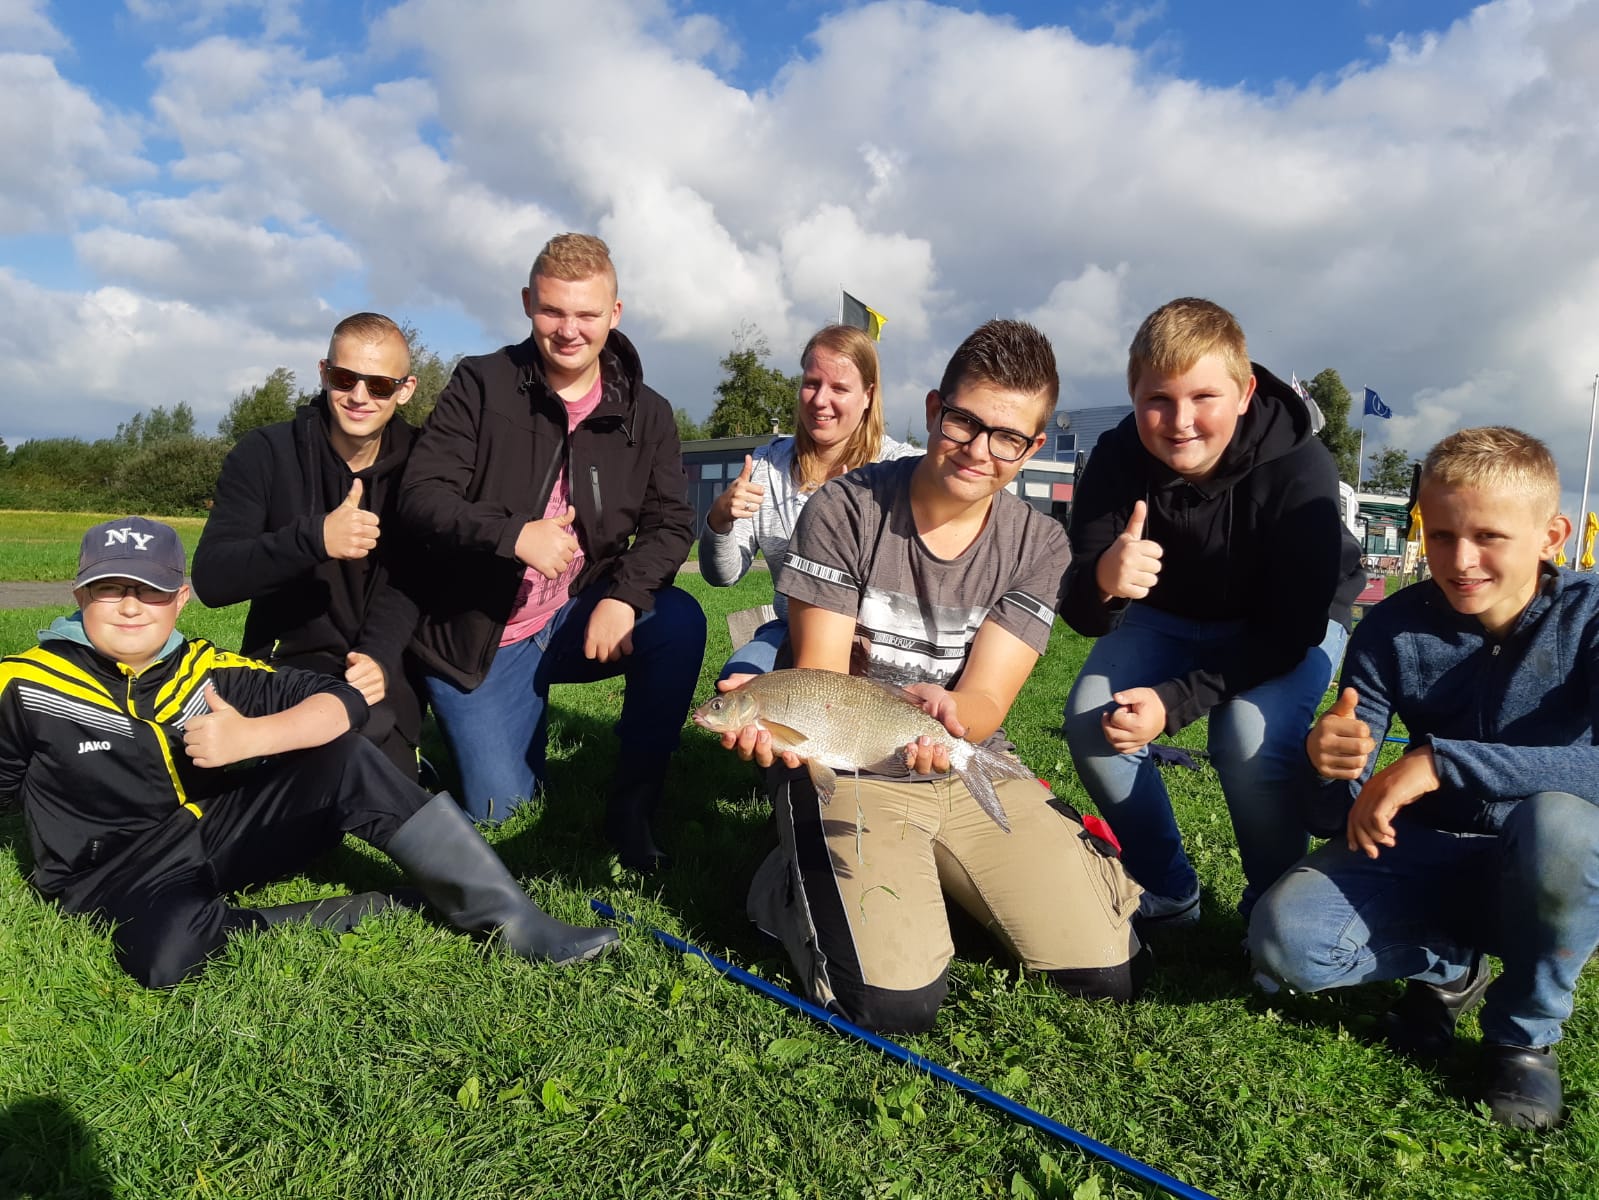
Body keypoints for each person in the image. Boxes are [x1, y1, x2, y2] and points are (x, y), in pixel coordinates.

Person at [717, 320, 1145, 1034]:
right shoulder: (842, 509)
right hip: (849, 761)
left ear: (1033, 447)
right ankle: (785, 883)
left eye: (1007, 438)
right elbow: (821, 683)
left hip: (958, 754)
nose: (979, 451)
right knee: (892, 1004)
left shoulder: (1040, 544)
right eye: (963, 423)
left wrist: (952, 718)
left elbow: (986, 699)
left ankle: (927, 875)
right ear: (932, 410)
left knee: (1103, 972)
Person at [0, 517, 617, 988]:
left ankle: (511, 919)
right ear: (79, 595)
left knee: (345, 756)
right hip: (110, 872)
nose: (132, 606)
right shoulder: (25, 684)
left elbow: (344, 699)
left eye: (151, 590)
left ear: (181, 598)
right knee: (168, 961)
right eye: (110, 589)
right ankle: (376, 907)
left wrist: (254, 738)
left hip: (207, 834)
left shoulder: (206, 668)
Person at [1251, 427, 1599, 1131]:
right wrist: (1327, 764)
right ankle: (1448, 970)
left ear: (1552, 536)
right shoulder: (1391, 629)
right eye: (1441, 536)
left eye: (1488, 536)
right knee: (1286, 941)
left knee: (1560, 828)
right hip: (1426, 850)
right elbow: (1332, 816)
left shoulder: (1589, 617)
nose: (1460, 561)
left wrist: (1441, 760)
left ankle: (1522, 1036)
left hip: (1544, 857)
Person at [399, 233, 704, 871]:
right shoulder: (481, 383)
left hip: (577, 613)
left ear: (614, 313)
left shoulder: (647, 412)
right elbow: (422, 496)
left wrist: (625, 597)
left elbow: (672, 521)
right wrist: (514, 534)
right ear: (526, 303)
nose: (569, 331)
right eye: (551, 311)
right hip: (481, 634)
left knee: (677, 621)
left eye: (586, 314)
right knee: (501, 811)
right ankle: (493, 735)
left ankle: (634, 804)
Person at [1059, 298, 1363, 923]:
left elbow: (1289, 632)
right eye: (1158, 399)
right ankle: (1168, 889)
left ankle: (1276, 908)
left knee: (1248, 738)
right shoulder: (1116, 456)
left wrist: (1172, 701)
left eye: (1204, 397)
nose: (1181, 421)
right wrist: (1103, 583)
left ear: (1246, 392)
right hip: (1169, 614)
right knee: (1095, 719)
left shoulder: (1300, 465)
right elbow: (1083, 614)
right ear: (1132, 394)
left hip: (1288, 622)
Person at [193, 312, 427, 779]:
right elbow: (212, 579)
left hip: (382, 668)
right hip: (285, 665)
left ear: (405, 389)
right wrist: (314, 539)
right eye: (344, 378)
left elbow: (415, 580)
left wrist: (380, 657)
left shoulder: (424, 465)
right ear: (323, 372)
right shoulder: (265, 453)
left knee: (374, 774)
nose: (359, 396)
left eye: (380, 385)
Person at [700, 324, 919, 678]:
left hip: (881, 643)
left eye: (839, 388)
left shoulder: (902, 469)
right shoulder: (767, 466)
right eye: (812, 383)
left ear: (868, 395)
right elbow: (722, 576)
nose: (819, 400)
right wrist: (719, 519)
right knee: (739, 682)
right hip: (792, 633)